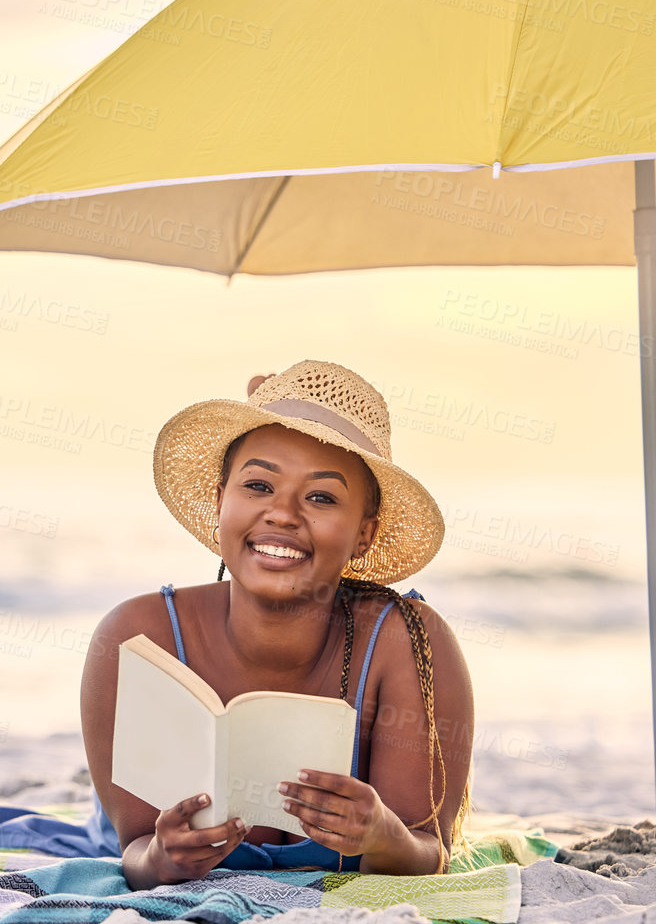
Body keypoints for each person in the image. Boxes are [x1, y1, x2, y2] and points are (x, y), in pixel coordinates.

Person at [81, 360, 473, 886]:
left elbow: (430, 854)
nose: (283, 514)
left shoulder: (406, 642)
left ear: (364, 533)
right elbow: (135, 850)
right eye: (259, 485)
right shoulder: (137, 637)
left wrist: (384, 835)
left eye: (321, 497)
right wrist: (160, 860)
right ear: (221, 501)